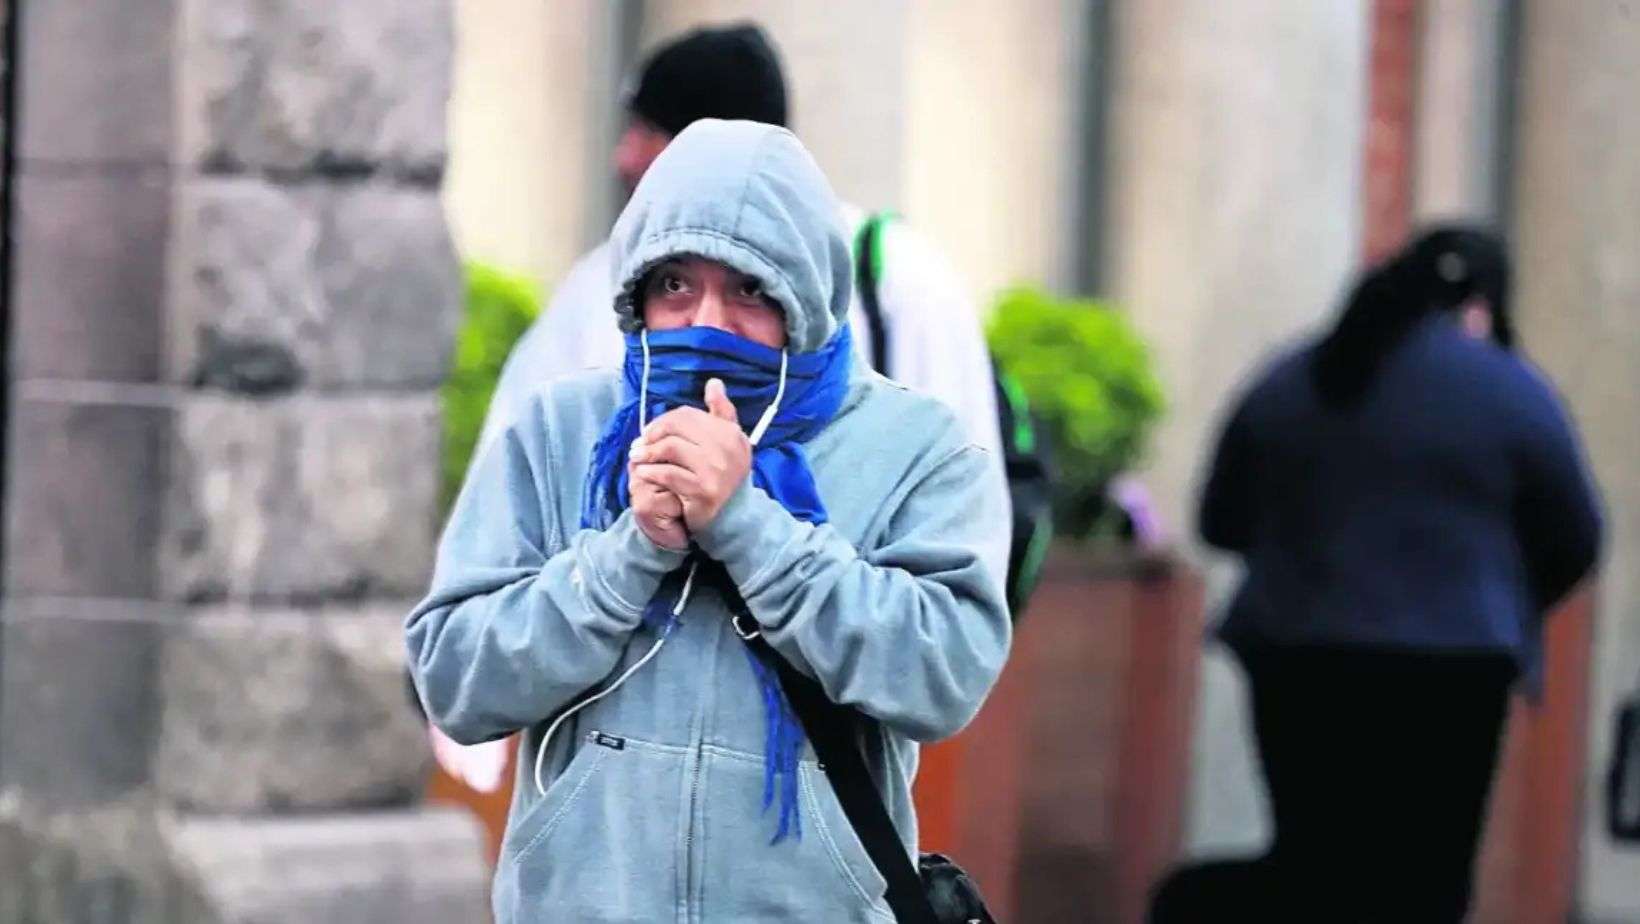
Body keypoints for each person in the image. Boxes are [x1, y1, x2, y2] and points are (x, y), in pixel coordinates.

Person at [406, 120, 1011, 922]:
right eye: (676, 287)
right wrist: (628, 553)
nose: (709, 325)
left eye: (752, 291)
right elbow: (453, 677)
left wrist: (750, 527)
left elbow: (945, 674)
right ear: (636, 297)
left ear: (809, 296)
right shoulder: (560, 430)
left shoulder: (914, 447)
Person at [1151, 227, 1604, 923]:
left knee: (1315, 863)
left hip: (1297, 656)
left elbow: (1221, 521)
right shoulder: (1507, 389)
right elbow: (1577, 533)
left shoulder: (1293, 377)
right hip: (1453, 671)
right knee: (1428, 875)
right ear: (1482, 305)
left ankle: (1199, 902)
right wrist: (1505, 598)